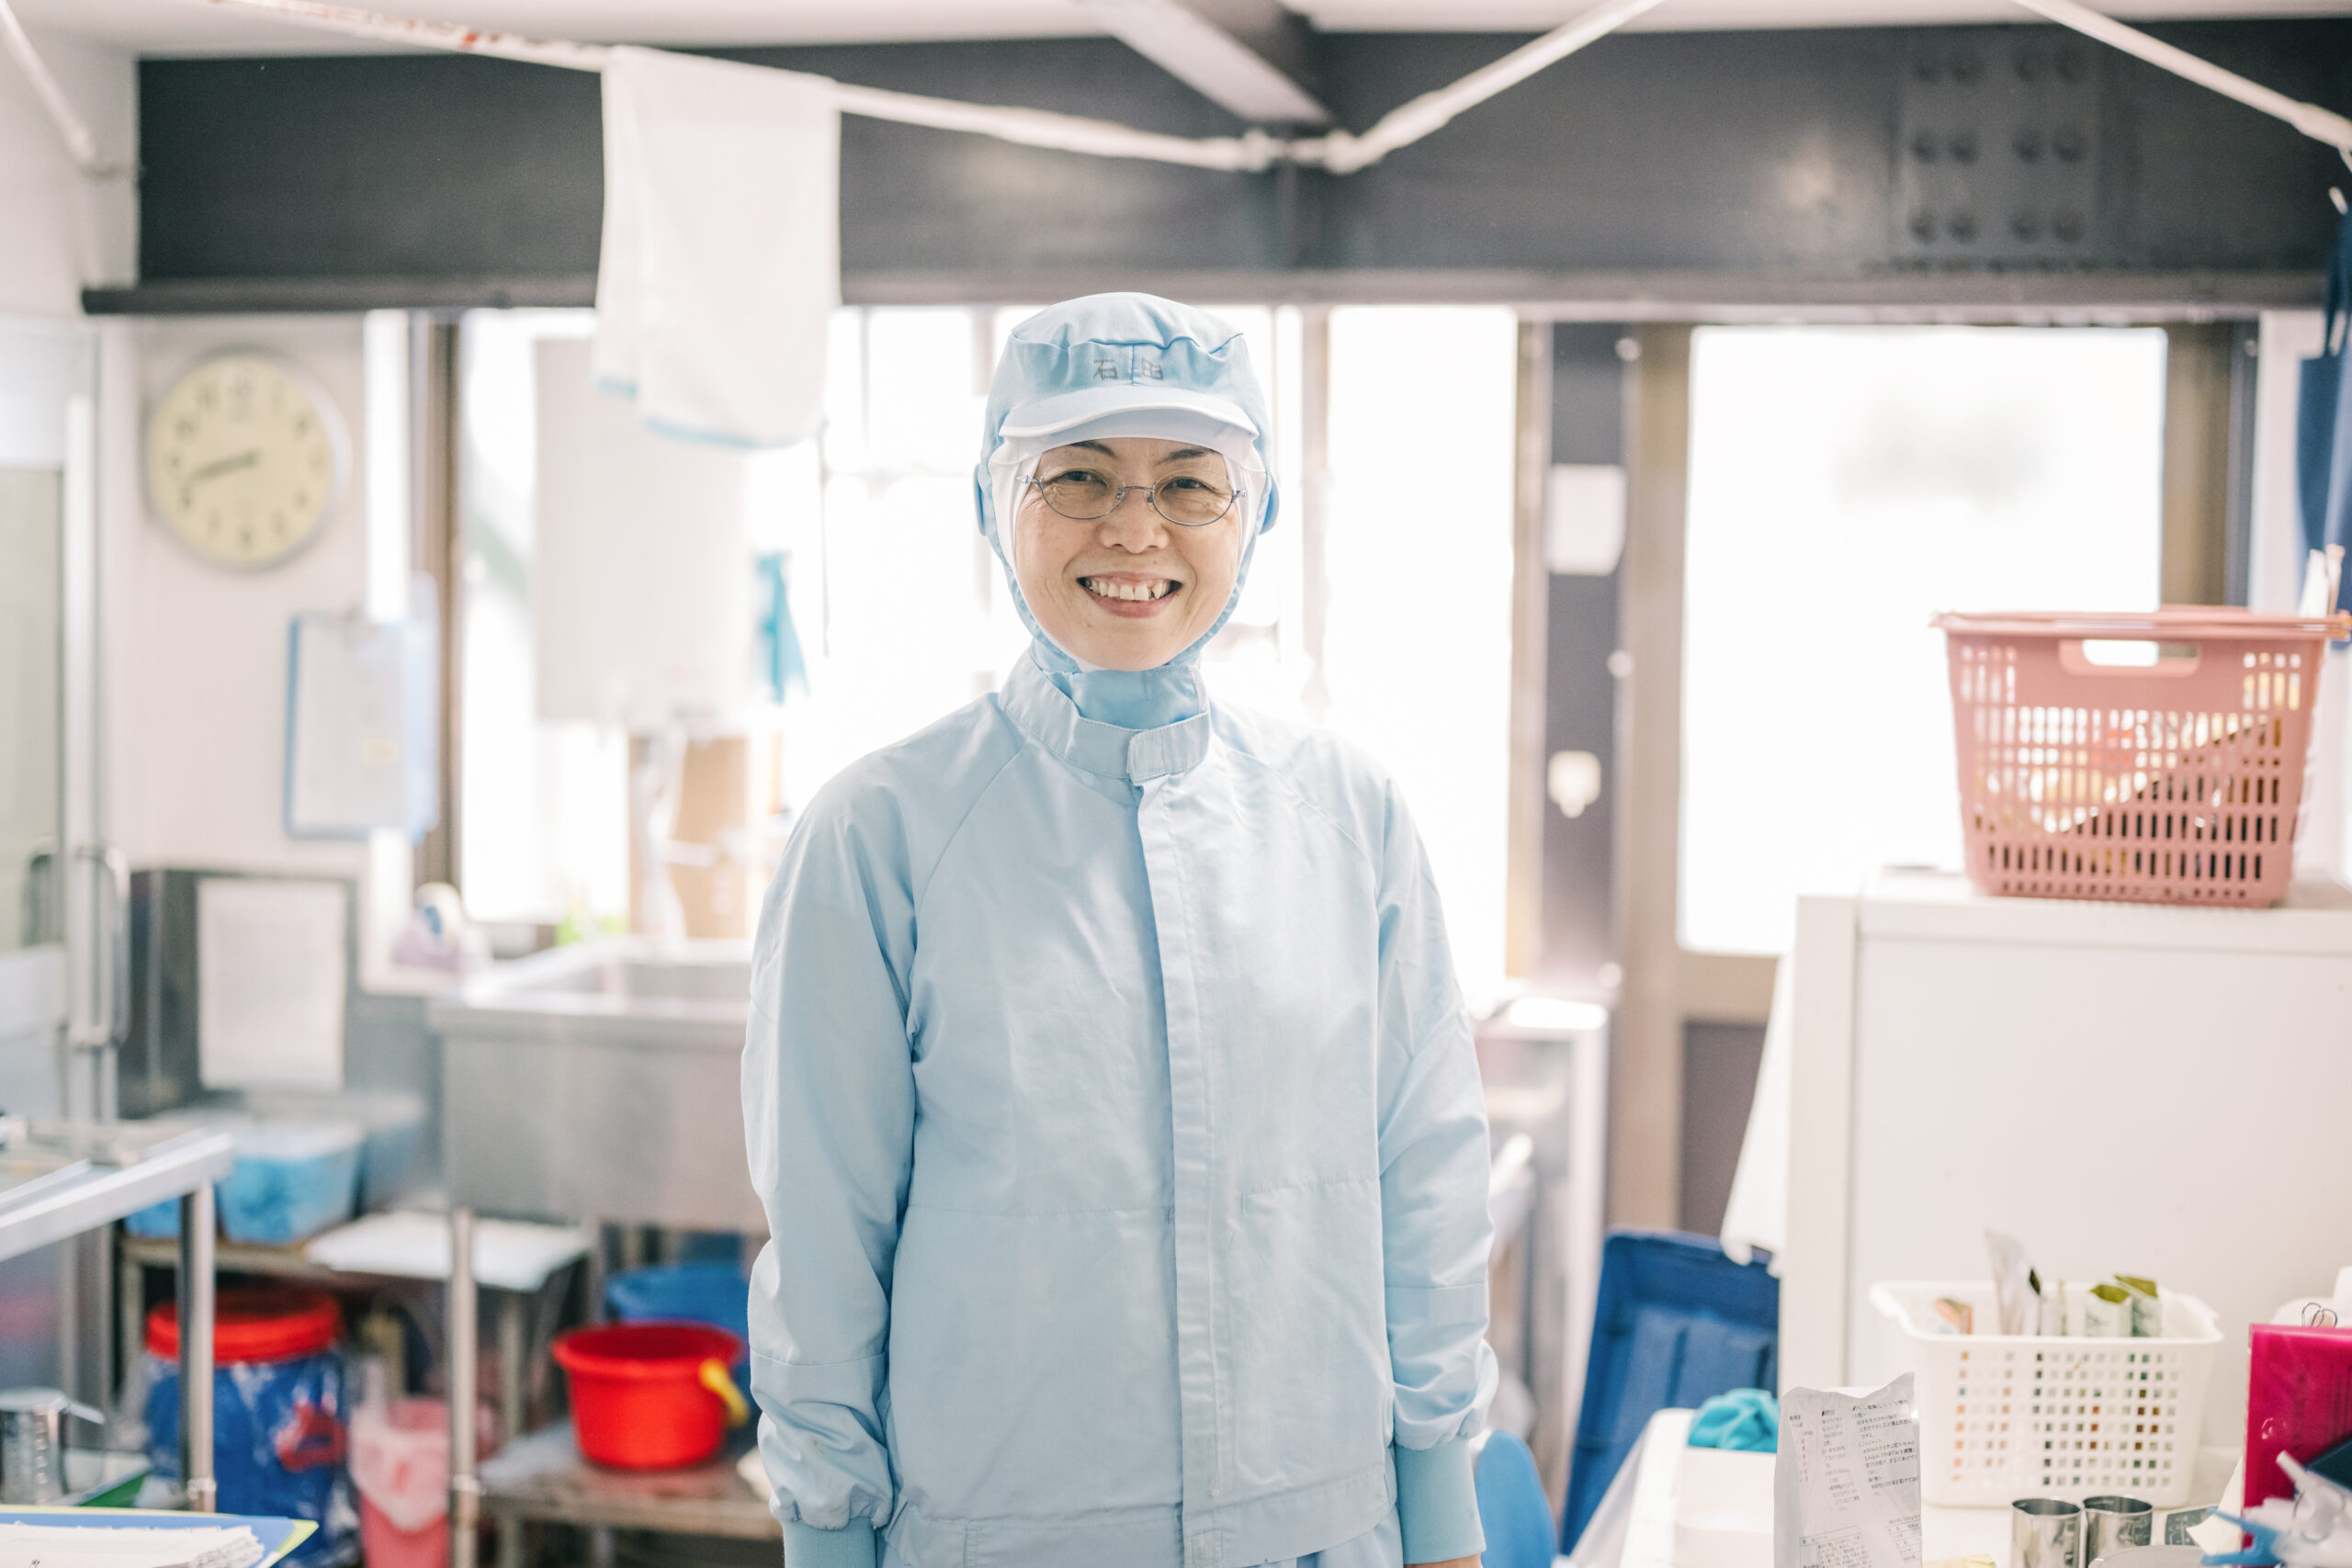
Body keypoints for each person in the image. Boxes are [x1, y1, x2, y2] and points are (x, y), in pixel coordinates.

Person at [742, 293, 1497, 1568]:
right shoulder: (879, 837)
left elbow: (1427, 1179)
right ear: (994, 505)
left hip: (1321, 1531)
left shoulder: (1347, 816)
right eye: (1079, 476)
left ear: (1255, 514)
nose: (1136, 529)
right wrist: (826, 1536)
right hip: (1004, 1540)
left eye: (1190, 483)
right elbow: (825, 1249)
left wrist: (1443, 1520)